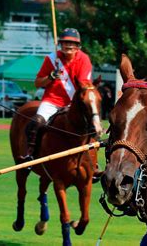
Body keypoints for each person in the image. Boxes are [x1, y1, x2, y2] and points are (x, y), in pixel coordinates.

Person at [21, 28, 93, 161]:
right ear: (60, 44)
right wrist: (50, 76)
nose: (69, 46)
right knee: (36, 122)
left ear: (78, 46)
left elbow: (83, 84)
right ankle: (30, 153)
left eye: (72, 43)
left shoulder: (84, 59)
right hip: (52, 101)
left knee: (91, 126)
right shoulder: (52, 58)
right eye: (65, 42)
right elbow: (38, 83)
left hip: (74, 102)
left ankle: (92, 163)